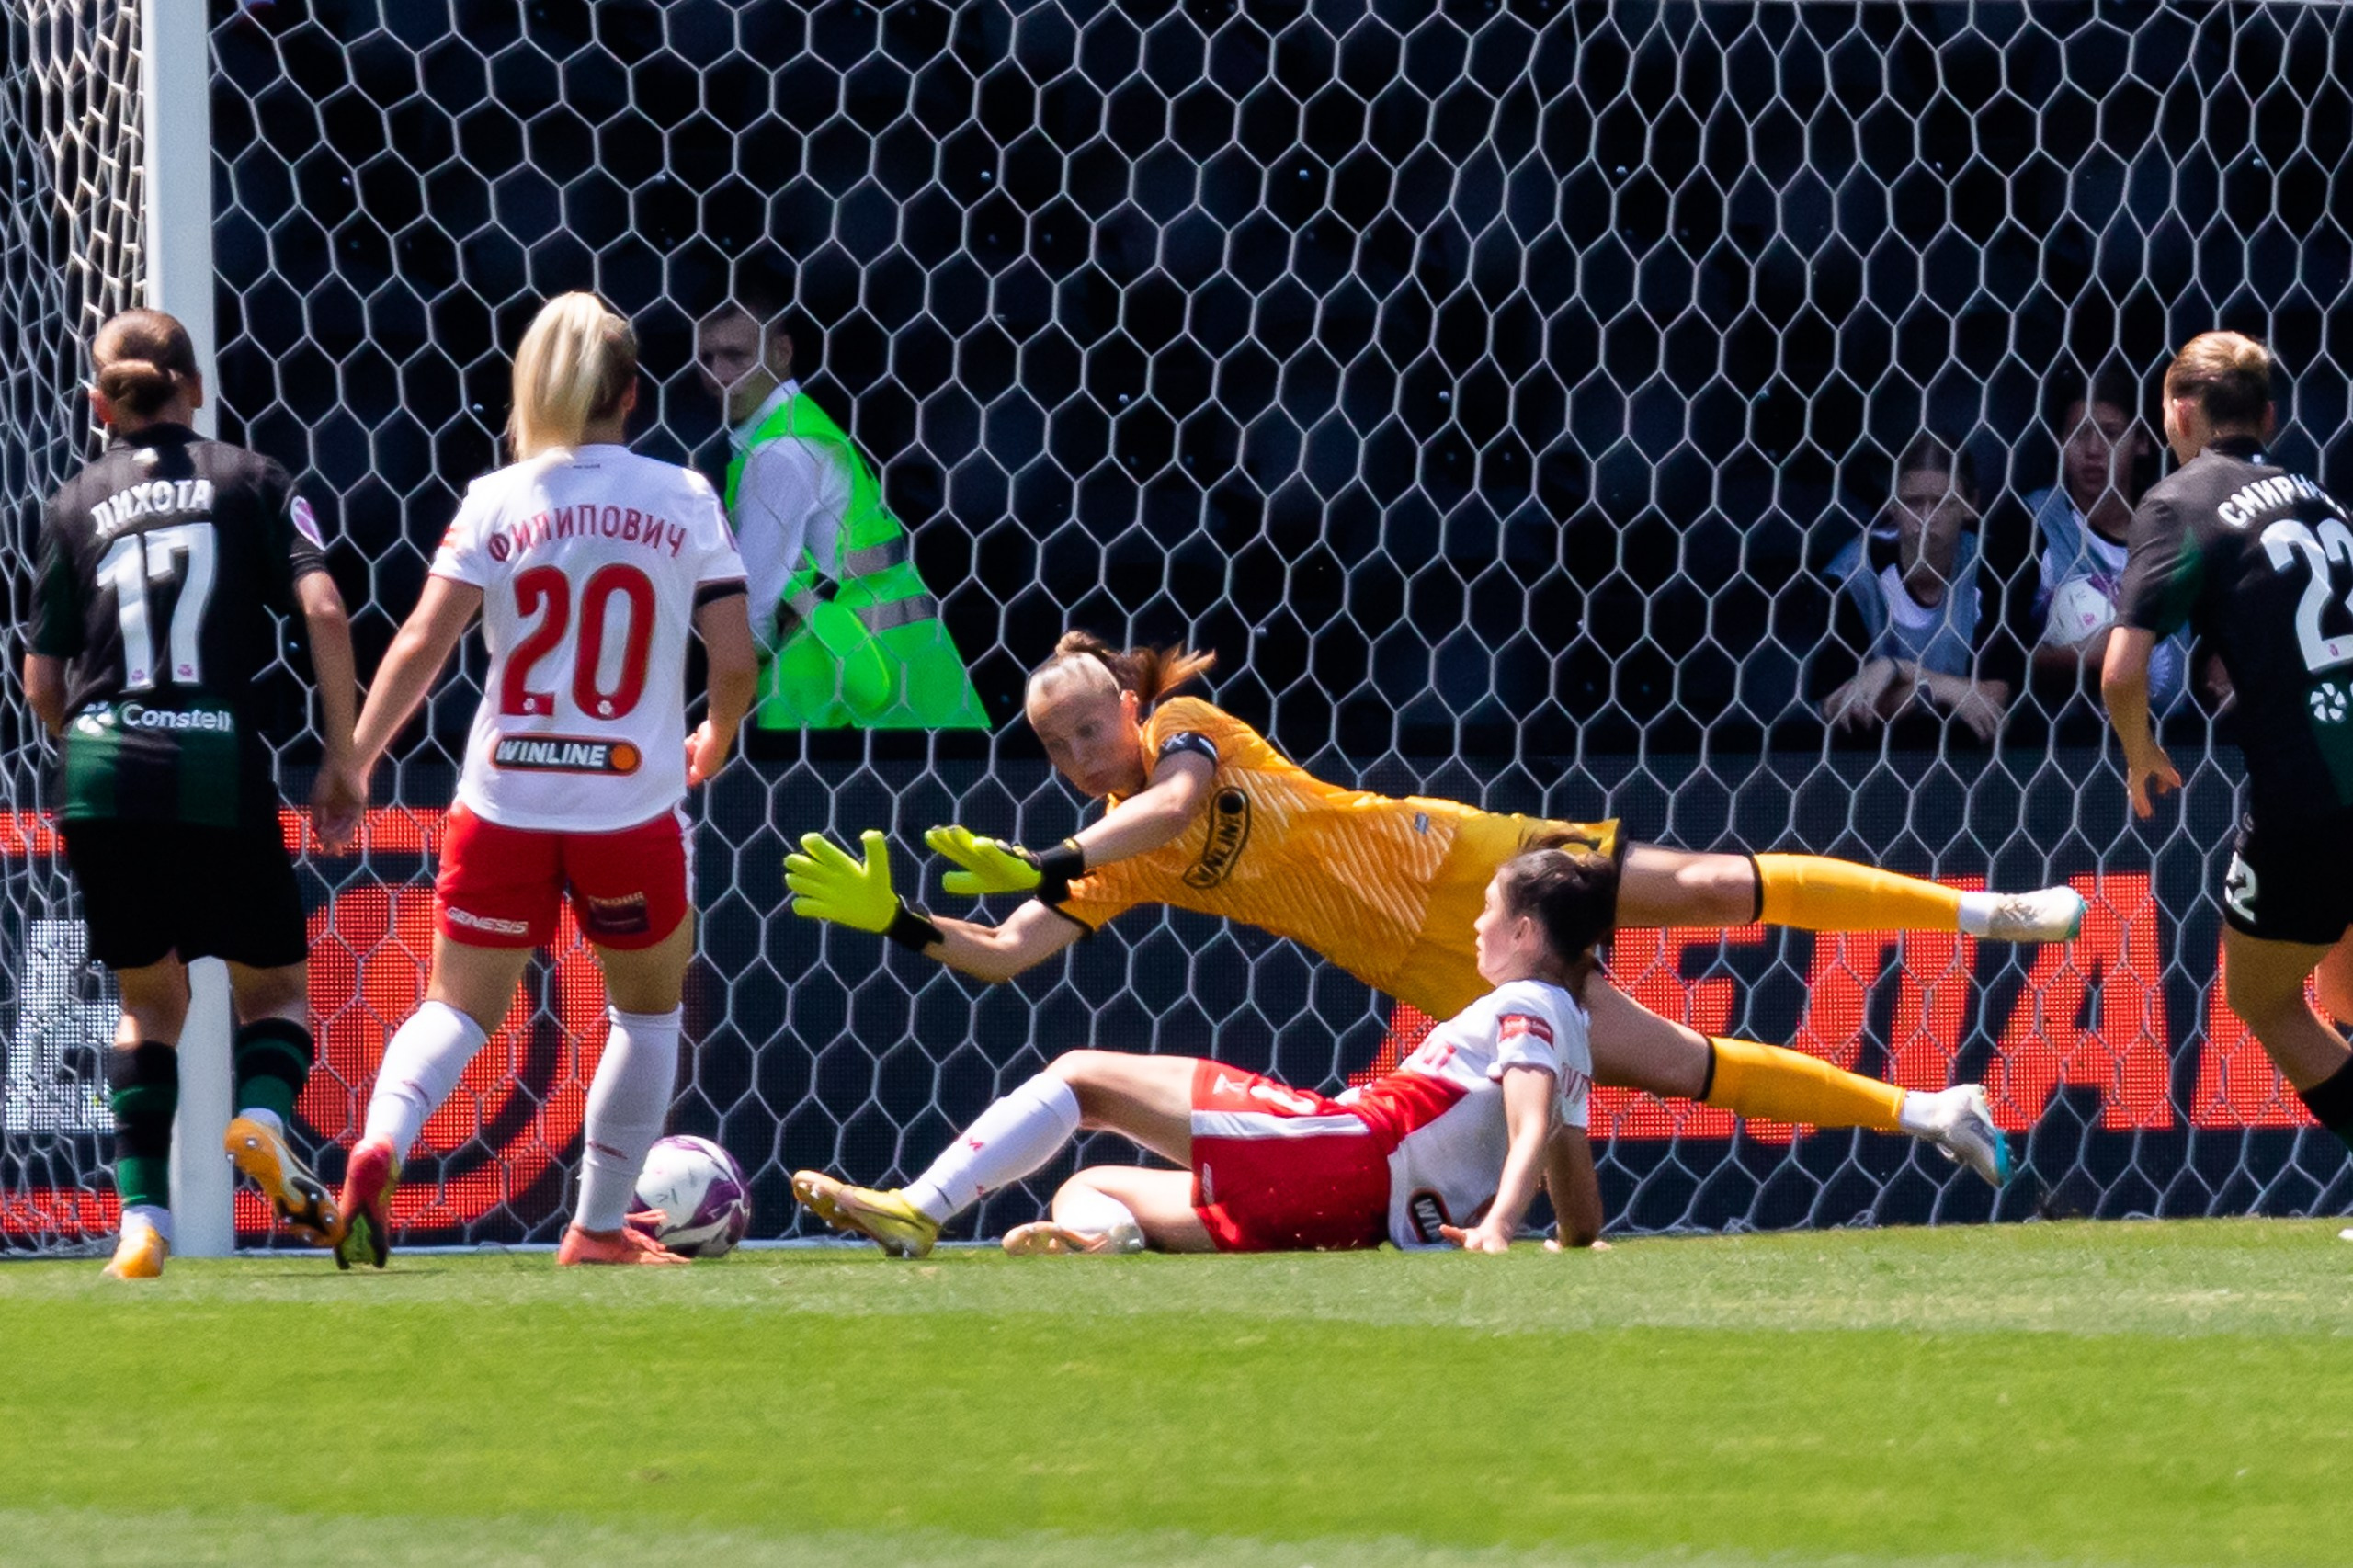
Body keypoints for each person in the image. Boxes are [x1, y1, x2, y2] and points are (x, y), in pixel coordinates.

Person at [785, 632, 2093, 1188]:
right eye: (1058, 746)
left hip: (1463, 862)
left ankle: (1985, 911)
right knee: (1672, 1064)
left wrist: (1048, 856)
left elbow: (1173, 809)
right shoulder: (1104, 859)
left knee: (1705, 884)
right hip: (1433, 962)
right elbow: (1006, 954)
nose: (1081, 754)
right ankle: (1931, 1112)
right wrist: (904, 919)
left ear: (1127, 706)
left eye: (1089, 727)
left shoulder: (1185, 728)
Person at [329, 293, 757, 1269]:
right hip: (629, 803)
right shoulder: (682, 494)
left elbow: (421, 642)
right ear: (633, 393)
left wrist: (355, 758)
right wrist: (719, 731)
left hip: (504, 799)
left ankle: (382, 1141)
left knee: (456, 1009)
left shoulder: (497, 497)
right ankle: (597, 1228)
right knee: (645, 1015)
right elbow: (733, 657)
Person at [793, 844, 1613, 1256]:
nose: (1475, 924)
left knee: (1081, 1077)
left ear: (1523, 933)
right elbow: (1576, 1202)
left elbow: (1528, 1116)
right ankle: (1105, 1245)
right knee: (1089, 1186)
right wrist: (1561, 1237)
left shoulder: (1525, 1002)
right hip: (1364, 1223)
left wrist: (1501, 1223)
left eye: (1487, 909)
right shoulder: (1571, 1025)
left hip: (1345, 1152)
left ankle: (918, 1210)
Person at [25, 307, 365, 1278]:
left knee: (148, 1002)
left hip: (99, 769)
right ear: (198, 389)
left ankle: (142, 1224)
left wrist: (99, 746)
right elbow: (324, 607)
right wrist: (343, 756)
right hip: (215, 759)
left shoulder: (72, 501)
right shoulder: (250, 477)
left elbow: (42, 679)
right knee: (276, 990)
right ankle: (261, 1122)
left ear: (99, 405)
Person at [2105, 330, 2353, 1158]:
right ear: (2269, 417)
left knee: (2263, 1000)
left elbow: (2121, 672)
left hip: (2309, 800)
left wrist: (2141, 752)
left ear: (2180, 412)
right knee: (2343, 983)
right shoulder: (2320, 499)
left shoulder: (2178, 502)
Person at [692, 290, 986, 730]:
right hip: (909, 674)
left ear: (782, 352)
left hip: (846, 691)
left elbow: (751, 616)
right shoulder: (804, 429)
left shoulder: (781, 452)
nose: (718, 374)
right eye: (707, 357)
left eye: (736, 356)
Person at [2024, 369, 2205, 723]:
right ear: (2059, 441)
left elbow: (2213, 635)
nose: (2093, 450)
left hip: (2177, 740)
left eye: (2110, 433)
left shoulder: (2178, 533)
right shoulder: (2031, 525)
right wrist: (2078, 659)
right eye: (2079, 432)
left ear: (2141, 442)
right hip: (2062, 744)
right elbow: (1998, 662)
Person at [1815, 435, 2014, 744]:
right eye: (1912, 502)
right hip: (1869, 753)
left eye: (1942, 502)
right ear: (1892, 503)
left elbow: (1993, 697)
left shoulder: (1992, 568)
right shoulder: (1851, 577)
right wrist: (1945, 689)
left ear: (1970, 504)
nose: (1925, 518)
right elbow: (1842, 705)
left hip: (1967, 750)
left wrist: (1896, 670)